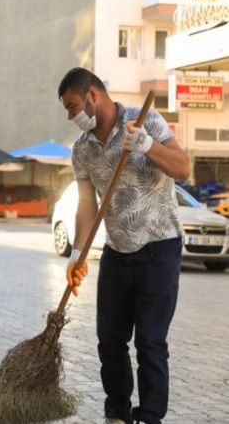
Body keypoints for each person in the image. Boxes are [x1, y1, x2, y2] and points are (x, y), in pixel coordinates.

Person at [59, 67, 190, 424]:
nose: (72, 116)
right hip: (117, 253)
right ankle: (117, 412)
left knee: (150, 343)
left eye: (73, 106)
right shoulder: (83, 149)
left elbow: (183, 168)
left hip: (159, 249)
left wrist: (149, 146)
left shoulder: (143, 120)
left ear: (92, 95)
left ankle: (149, 417)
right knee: (109, 341)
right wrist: (76, 253)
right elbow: (87, 203)